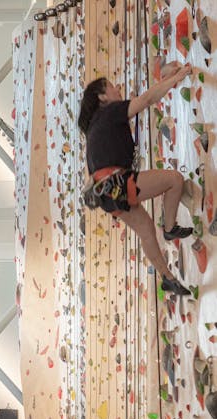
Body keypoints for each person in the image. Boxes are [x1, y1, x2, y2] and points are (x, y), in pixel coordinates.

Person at [78, 62, 194, 295]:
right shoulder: (108, 112)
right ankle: (170, 227)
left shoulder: (95, 126)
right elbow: (147, 100)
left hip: (108, 194)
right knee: (174, 180)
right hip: (117, 184)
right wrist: (176, 78)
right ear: (102, 96)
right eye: (111, 87)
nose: (116, 88)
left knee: (146, 230)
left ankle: (167, 278)